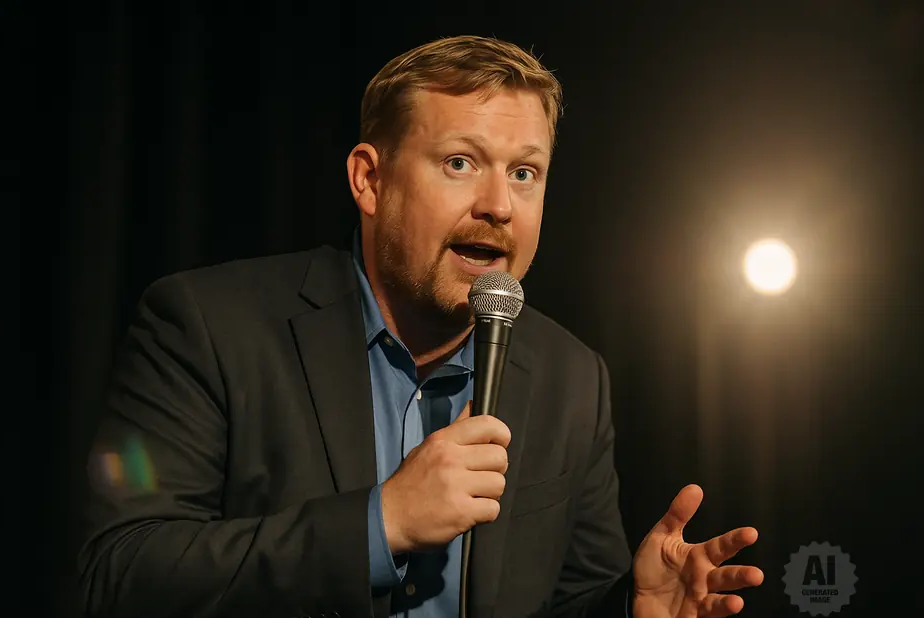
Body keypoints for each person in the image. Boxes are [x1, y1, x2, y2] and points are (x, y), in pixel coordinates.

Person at [76, 35, 764, 618]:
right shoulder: (211, 325)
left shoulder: (570, 378)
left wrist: (631, 608)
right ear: (369, 181)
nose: (499, 205)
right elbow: (123, 572)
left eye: (525, 173)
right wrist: (381, 524)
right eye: (459, 163)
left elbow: (568, 599)